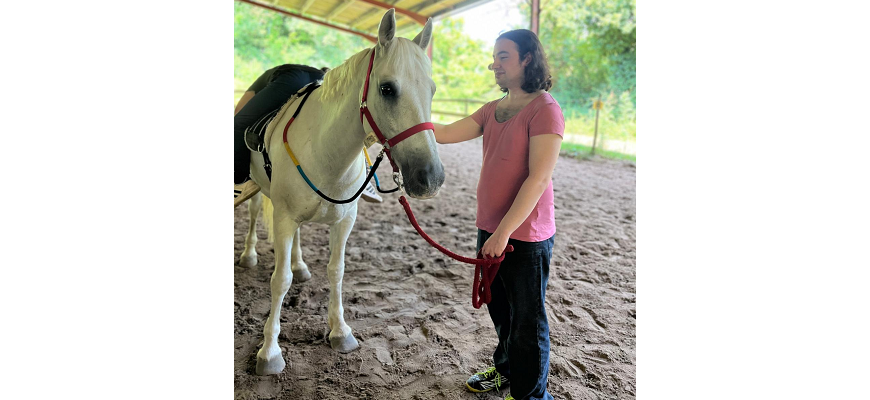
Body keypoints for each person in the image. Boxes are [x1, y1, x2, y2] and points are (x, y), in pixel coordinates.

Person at [431, 29, 564, 400]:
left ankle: (531, 396)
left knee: (527, 322)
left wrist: (503, 233)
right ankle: (506, 372)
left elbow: (538, 180)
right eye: (494, 57)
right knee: (500, 311)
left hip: (523, 236)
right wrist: (400, 128)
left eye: (503, 56)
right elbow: (443, 133)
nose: (494, 64)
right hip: (491, 229)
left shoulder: (545, 111)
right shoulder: (492, 109)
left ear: (527, 59)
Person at [234, 65, 383, 207]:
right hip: (322, 78)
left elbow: (239, 111)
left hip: (290, 79)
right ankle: (364, 176)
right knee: (341, 126)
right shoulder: (311, 72)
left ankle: (240, 181)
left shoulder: (260, 82)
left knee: (237, 123)